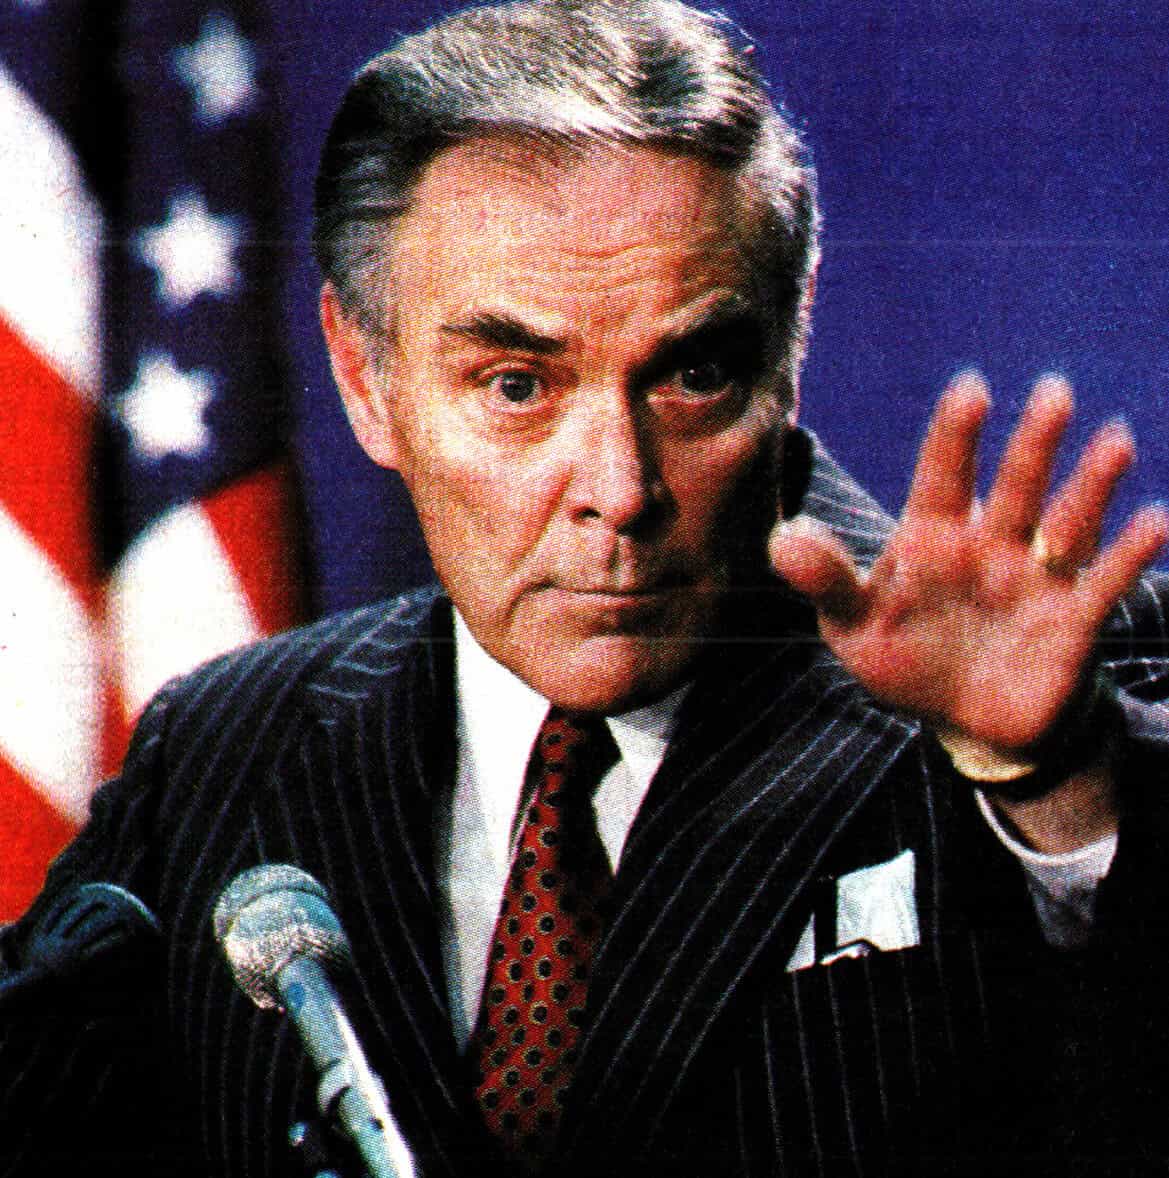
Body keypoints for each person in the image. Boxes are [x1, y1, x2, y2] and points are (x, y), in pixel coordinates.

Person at [3, 1, 1168, 1175]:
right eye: (515, 385)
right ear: (367, 379)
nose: (618, 487)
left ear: (789, 350)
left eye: (694, 375)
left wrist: (1052, 778)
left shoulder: (1062, 701)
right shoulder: (221, 750)